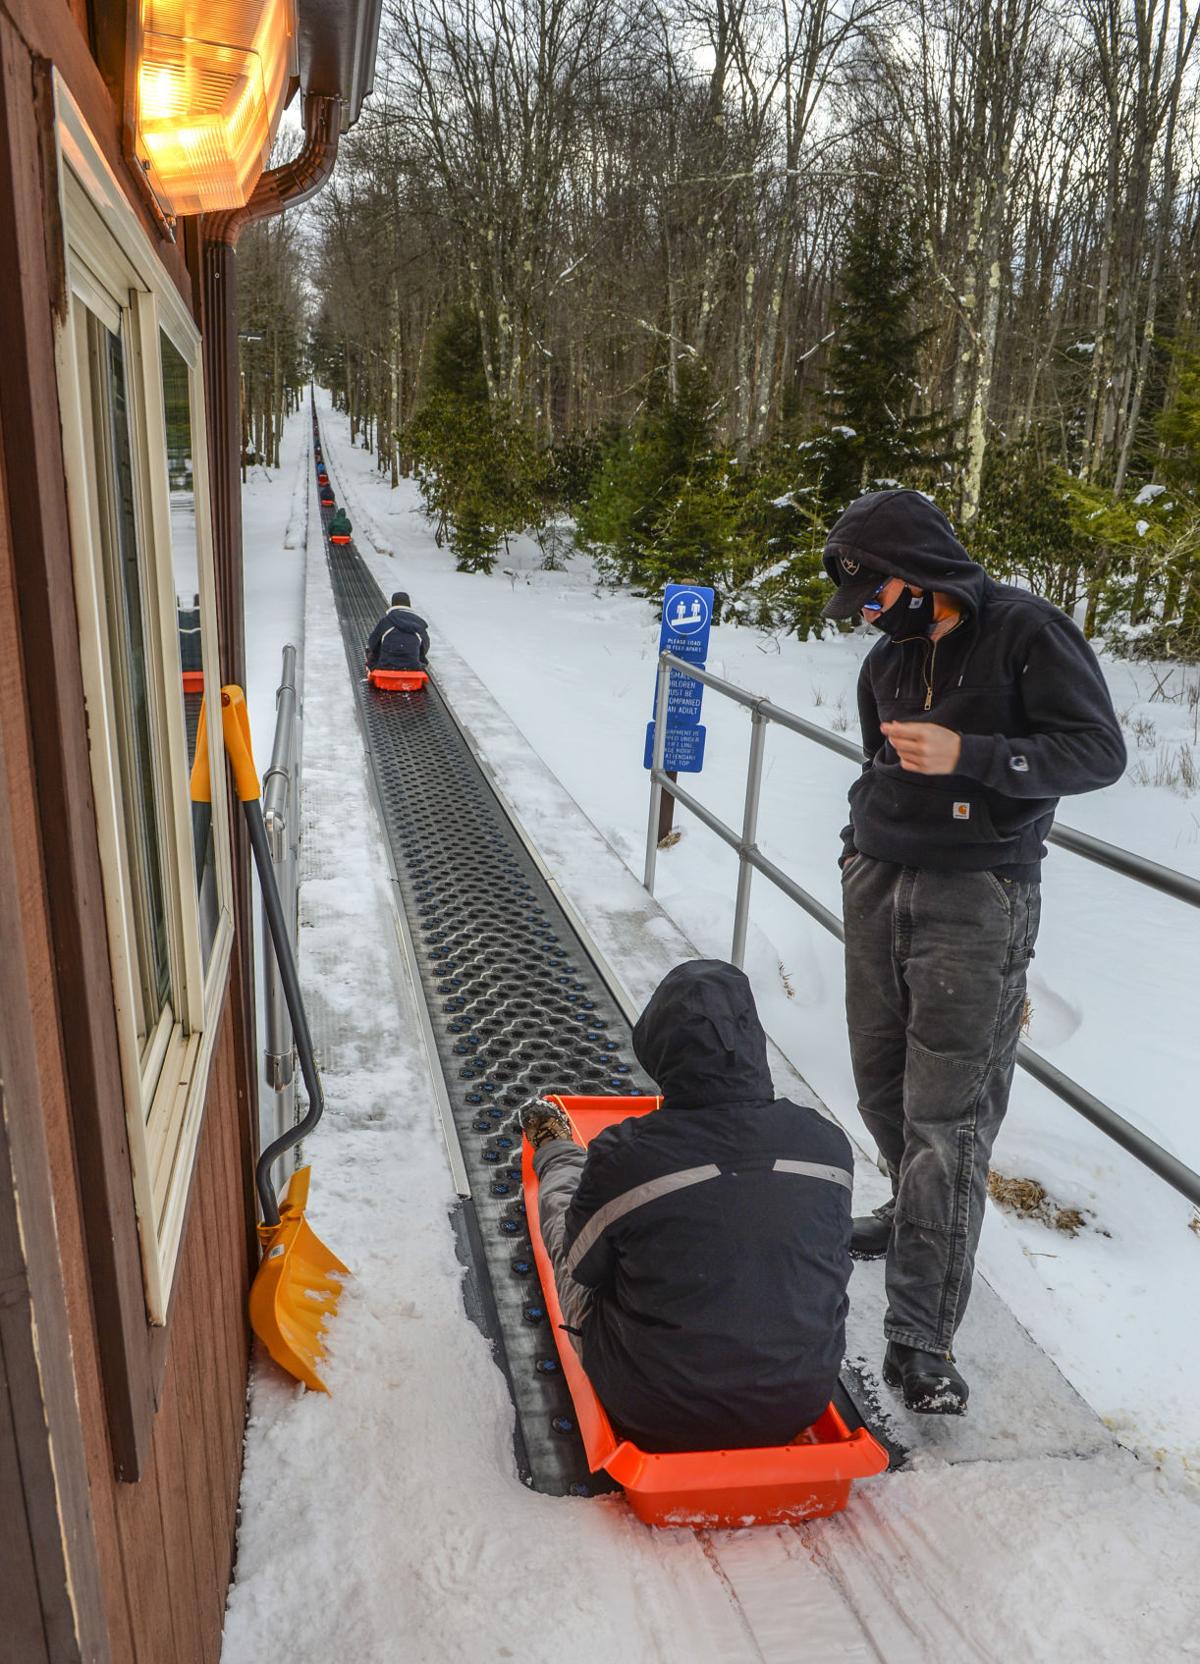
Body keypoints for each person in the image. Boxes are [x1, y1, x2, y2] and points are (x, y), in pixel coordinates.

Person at [823, 488, 1125, 1415]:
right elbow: (878, 758)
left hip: (976, 895)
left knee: (947, 1121)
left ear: (919, 575)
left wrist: (975, 757)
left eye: (874, 596)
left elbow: (1098, 751)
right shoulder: (888, 657)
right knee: (881, 1084)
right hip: (880, 877)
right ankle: (910, 1213)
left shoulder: (1030, 633)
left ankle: (920, 1337)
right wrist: (859, 837)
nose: (868, 617)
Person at [520, 959, 853, 1453]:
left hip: (655, 1407)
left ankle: (555, 1147)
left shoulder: (625, 1156)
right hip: (797, 1400)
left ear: (658, 1049)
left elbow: (579, 1268)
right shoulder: (828, 1144)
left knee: (575, 1241)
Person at [365, 591, 429, 673]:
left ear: (393, 604)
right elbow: (425, 647)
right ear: (409, 605)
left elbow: (372, 644)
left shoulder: (386, 621)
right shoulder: (419, 623)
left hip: (385, 666)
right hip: (413, 667)